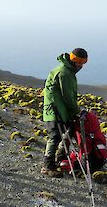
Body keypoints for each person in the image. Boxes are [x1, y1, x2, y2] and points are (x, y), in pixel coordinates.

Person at [41, 48, 88, 177]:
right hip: (55, 109)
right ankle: (48, 165)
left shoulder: (67, 71)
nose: (81, 66)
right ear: (73, 60)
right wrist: (77, 111)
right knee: (55, 136)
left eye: (83, 62)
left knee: (69, 131)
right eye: (80, 62)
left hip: (61, 109)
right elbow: (68, 97)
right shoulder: (65, 73)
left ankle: (60, 158)